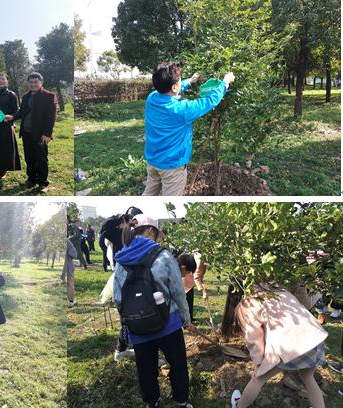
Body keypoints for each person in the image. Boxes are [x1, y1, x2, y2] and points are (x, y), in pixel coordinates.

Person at [113, 214, 196, 408]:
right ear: (150, 230)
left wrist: (130, 317)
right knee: (178, 365)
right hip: (168, 323)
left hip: (138, 328)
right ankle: (181, 402)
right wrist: (186, 319)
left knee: (145, 369)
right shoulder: (164, 255)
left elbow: (118, 297)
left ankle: (153, 402)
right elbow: (177, 291)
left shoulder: (121, 258)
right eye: (157, 233)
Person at [223, 282, 327, 408]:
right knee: (307, 376)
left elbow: (254, 338)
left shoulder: (249, 302)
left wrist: (259, 364)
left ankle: (239, 405)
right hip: (315, 337)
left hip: (291, 345)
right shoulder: (278, 288)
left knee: (257, 379)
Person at [143, 63, 235, 196]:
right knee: (170, 201)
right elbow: (210, 100)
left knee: (149, 194)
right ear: (174, 87)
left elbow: (172, 91)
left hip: (153, 160)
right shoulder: (182, 110)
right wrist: (225, 81)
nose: (181, 82)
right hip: (172, 166)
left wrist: (190, 81)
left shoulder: (152, 98)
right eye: (180, 81)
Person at [4, 72, 57, 193]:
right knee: (29, 157)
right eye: (31, 82)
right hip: (27, 132)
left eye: (36, 82)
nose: (33, 84)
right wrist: (12, 117)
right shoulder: (26, 96)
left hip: (40, 134)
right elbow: (22, 112)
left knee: (41, 158)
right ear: (28, 83)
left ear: (41, 82)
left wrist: (47, 134)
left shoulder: (49, 96)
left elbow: (51, 117)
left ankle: (43, 183)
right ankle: (31, 179)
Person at [177, 253, 208, 323]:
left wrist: (204, 289)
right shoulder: (200, 261)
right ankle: (185, 320)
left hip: (190, 280)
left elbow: (200, 276)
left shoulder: (204, 260)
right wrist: (203, 292)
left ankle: (189, 318)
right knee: (185, 301)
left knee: (190, 300)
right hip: (186, 280)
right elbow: (196, 277)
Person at [63, 239, 78, 307]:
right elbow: (74, 254)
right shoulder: (66, 241)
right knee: (70, 284)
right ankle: (70, 301)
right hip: (68, 266)